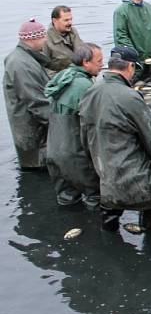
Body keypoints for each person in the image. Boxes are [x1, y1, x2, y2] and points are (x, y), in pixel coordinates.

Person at [79, 46, 151, 232]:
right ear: (130, 66)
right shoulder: (130, 97)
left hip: (105, 176)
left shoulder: (90, 92)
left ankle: (109, 243)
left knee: (111, 208)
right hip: (133, 176)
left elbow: (84, 136)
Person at [44, 43, 103, 207]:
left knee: (67, 200)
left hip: (54, 153)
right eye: (99, 61)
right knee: (95, 199)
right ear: (85, 62)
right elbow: (94, 123)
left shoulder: (62, 76)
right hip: (75, 157)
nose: (102, 64)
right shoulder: (85, 86)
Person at [3, 19, 50, 169]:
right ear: (33, 38)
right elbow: (35, 101)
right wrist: (59, 123)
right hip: (31, 130)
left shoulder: (25, 58)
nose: (46, 40)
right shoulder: (21, 64)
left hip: (31, 127)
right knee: (37, 165)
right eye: (43, 36)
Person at [43, 5, 87, 74]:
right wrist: (60, 79)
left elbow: (83, 52)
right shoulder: (46, 40)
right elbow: (43, 69)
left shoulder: (73, 32)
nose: (70, 23)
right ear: (54, 21)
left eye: (71, 19)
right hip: (60, 80)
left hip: (78, 73)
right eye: (66, 20)